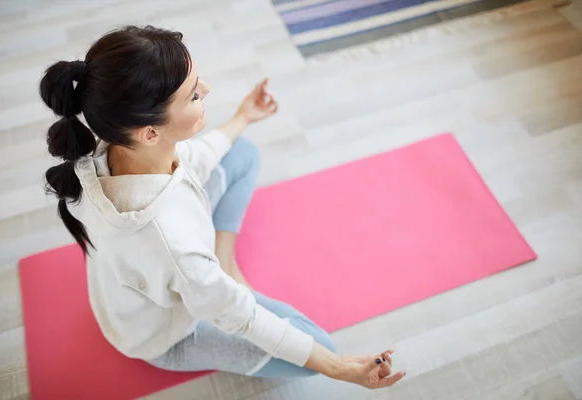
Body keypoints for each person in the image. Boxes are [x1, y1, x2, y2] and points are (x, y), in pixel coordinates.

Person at [40, 25, 405, 388]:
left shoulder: (118, 144)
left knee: (240, 151)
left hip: (150, 278)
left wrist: (244, 116)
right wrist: (339, 367)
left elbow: (196, 156)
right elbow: (242, 317)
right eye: (193, 95)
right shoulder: (171, 246)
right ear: (150, 132)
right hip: (164, 337)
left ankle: (223, 262)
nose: (207, 91)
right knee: (320, 350)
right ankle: (221, 277)